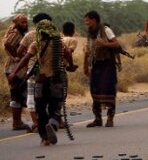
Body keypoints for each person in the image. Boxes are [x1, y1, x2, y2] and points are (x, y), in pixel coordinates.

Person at [9, 13, 74, 146]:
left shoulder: (35, 43)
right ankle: (52, 124)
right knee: (55, 107)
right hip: (56, 80)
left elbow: (25, 58)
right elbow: (67, 53)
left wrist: (14, 72)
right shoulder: (58, 42)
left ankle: (44, 137)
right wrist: (71, 66)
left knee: (40, 108)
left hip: (40, 80)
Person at [83, 10, 120, 127]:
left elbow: (116, 44)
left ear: (94, 20)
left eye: (87, 20)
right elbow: (87, 50)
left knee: (109, 90)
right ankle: (97, 118)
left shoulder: (106, 30)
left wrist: (104, 44)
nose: (86, 22)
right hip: (95, 64)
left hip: (107, 64)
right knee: (94, 90)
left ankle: (110, 118)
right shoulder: (89, 33)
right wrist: (85, 65)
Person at [3, 13, 31, 131]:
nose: (25, 24)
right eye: (22, 22)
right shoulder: (15, 33)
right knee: (16, 95)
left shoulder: (20, 33)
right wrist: (15, 56)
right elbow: (7, 44)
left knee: (19, 95)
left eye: (26, 22)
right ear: (16, 23)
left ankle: (18, 121)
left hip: (17, 69)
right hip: (13, 68)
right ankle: (16, 122)